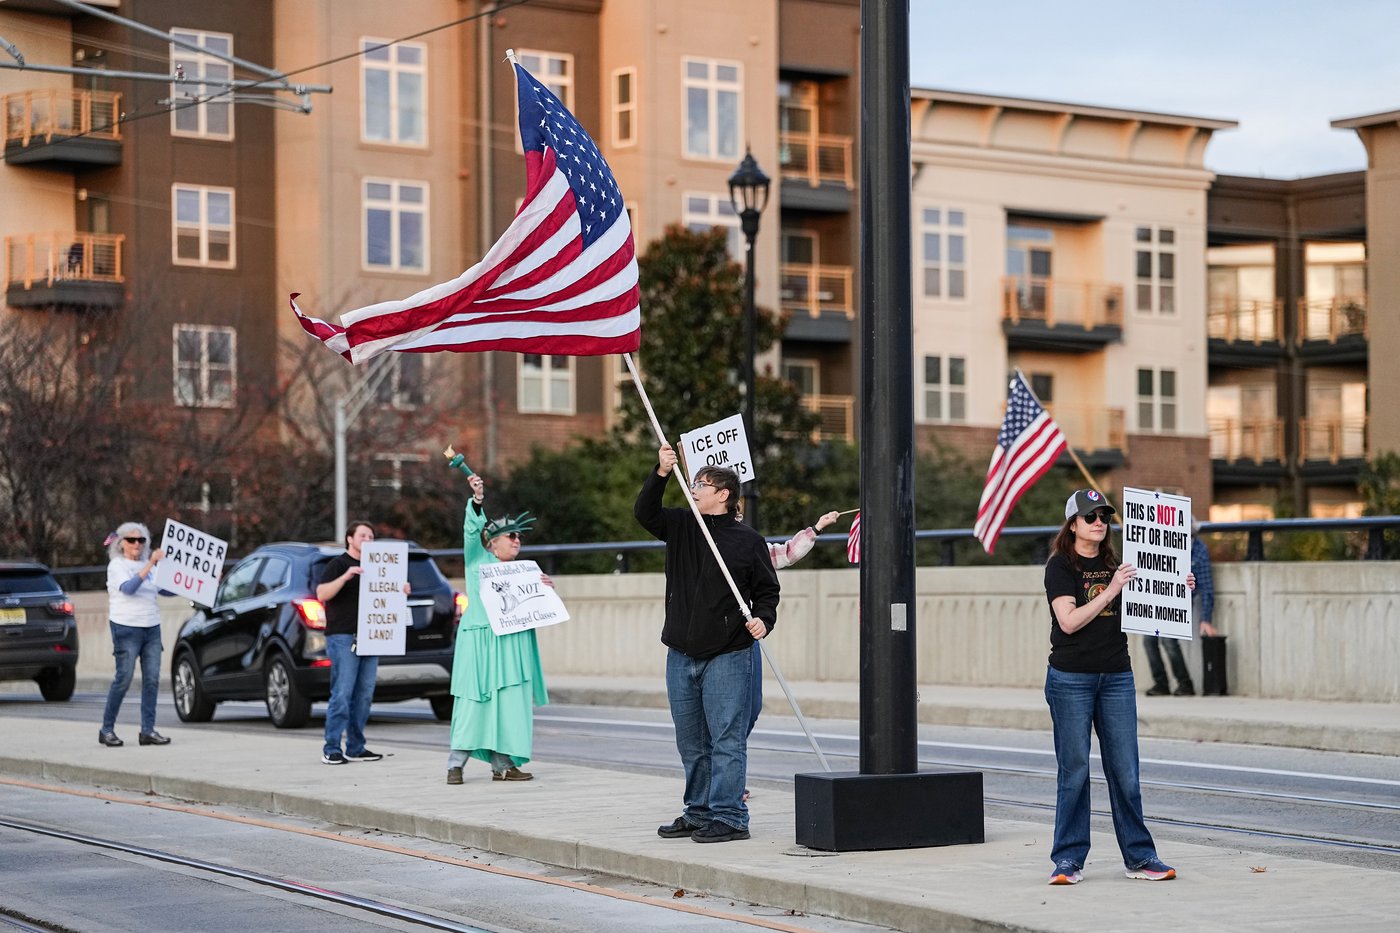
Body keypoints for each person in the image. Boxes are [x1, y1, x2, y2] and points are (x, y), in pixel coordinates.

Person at [1044, 489, 1192, 886]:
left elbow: (1148, 608)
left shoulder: (1117, 563)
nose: (1099, 522)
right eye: (1090, 516)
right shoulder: (1060, 566)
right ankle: (1068, 859)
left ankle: (1140, 857)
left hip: (1116, 678)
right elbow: (1069, 622)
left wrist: (1177, 587)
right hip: (1070, 679)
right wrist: (1111, 589)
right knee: (1074, 772)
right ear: (1072, 525)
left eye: (1104, 516)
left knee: (1126, 772)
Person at [636, 444, 780, 844]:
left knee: (726, 739)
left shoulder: (748, 540)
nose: (695, 488)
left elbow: (767, 592)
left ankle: (731, 817)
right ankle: (698, 812)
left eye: (703, 484)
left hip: (729, 653)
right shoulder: (682, 525)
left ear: (724, 495)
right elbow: (644, 513)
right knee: (691, 742)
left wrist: (764, 620)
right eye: (694, 482)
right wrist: (661, 473)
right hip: (680, 652)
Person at [446, 472, 549, 784]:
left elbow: (535, 606)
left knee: (510, 702)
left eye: (519, 537)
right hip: (480, 642)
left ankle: (504, 765)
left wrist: (544, 589)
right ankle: (455, 765)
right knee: (473, 701)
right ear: (492, 543)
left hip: (511, 643)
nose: (517, 540)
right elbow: (471, 531)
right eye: (511, 536)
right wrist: (477, 500)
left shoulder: (523, 571)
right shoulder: (478, 561)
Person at [746, 510, 841, 737]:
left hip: (745, 634)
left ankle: (726, 751)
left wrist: (816, 528)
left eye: (739, 516)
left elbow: (785, 553)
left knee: (750, 707)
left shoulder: (748, 544)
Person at [318, 520, 391, 765]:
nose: (368, 540)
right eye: (363, 535)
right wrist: (345, 577)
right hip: (343, 636)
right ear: (350, 539)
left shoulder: (379, 567)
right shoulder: (338, 564)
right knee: (342, 693)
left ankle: (356, 747)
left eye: (371, 536)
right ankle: (331, 747)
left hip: (371, 636)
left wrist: (399, 590)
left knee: (364, 695)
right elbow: (322, 594)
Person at [100, 522, 171, 747]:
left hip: (151, 626)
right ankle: (107, 729)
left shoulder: (150, 566)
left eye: (141, 540)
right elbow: (129, 588)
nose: (137, 544)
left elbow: (167, 589)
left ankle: (148, 730)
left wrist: (204, 582)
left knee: (152, 680)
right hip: (126, 627)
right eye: (131, 540)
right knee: (124, 678)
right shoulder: (117, 565)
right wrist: (151, 563)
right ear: (121, 543)